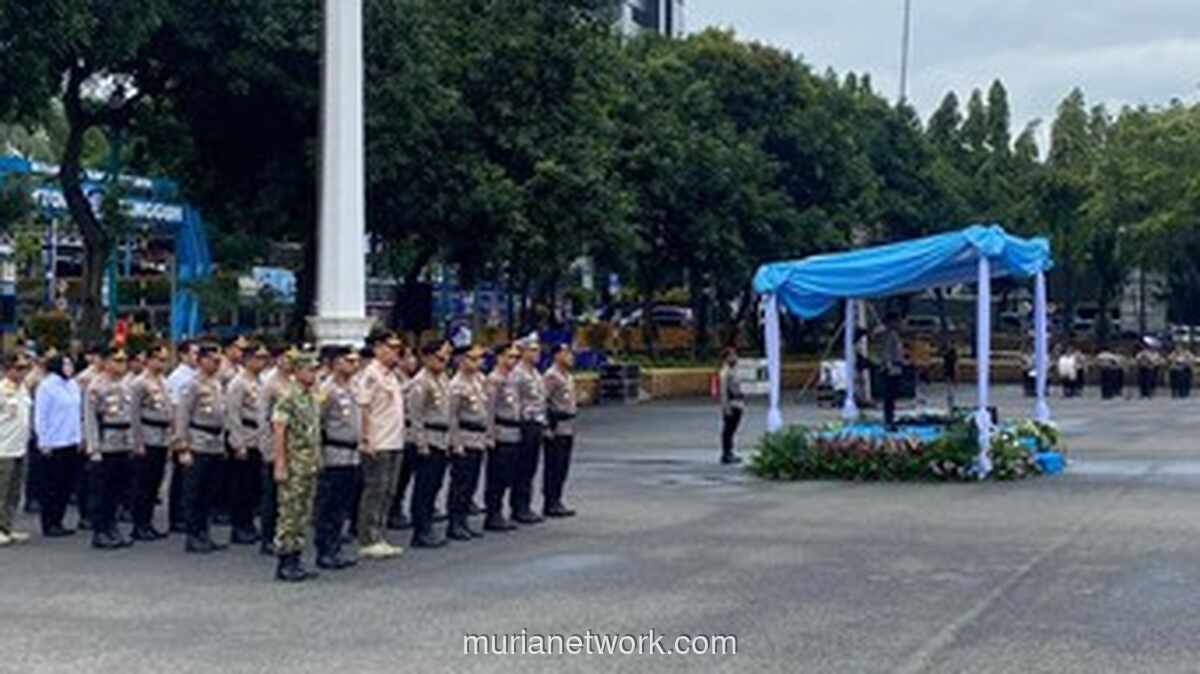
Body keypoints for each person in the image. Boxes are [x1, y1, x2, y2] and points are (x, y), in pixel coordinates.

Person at [271, 348, 322, 583]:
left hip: (309, 463)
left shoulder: (310, 395)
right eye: (311, 370)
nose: (315, 374)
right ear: (299, 370)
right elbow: (279, 430)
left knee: (303, 512)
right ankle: (285, 560)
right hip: (293, 462)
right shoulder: (288, 396)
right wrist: (280, 463)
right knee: (289, 513)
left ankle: (297, 557)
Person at [173, 343, 229, 553]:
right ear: (201, 361)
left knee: (209, 492)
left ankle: (204, 532)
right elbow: (182, 416)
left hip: (214, 443)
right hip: (198, 441)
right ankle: (193, 535)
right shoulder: (191, 385)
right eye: (213, 360)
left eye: (218, 361)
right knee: (194, 492)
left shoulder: (217, 384)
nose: (216, 364)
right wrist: (182, 446)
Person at [355, 333, 406, 560]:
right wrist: (366, 439)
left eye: (398, 348)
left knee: (389, 491)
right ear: (378, 348)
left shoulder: (391, 375)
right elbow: (364, 408)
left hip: (394, 440)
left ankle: (380, 534)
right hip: (379, 441)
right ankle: (368, 538)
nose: (396, 352)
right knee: (375, 490)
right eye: (391, 347)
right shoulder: (370, 375)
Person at [83, 348, 140, 550]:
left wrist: (134, 442)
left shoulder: (126, 385)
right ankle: (100, 531)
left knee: (118, 489)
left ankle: (112, 527)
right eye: (117, 360)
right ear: (106, 362)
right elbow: (90, 419)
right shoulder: (96, 386)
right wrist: (94, 448)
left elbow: (132, 417)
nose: (122, 364)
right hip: (106, 443)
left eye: (124, 360)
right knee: (102, 491)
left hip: (123, 443)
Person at [312, 346, 362, 570]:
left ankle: (335, 546)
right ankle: (324, 549)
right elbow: (316, 424)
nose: (353, 364)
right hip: (334, 453)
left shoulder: (352, 387)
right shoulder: (326, 389)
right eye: (347, 360)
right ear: (335, 363)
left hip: (352, 454)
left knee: (342, 504)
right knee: (328, 505)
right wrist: (318, 455)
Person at [406, 343, 452, 548]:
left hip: (441, 439)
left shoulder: (442, 379)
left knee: (435, 485)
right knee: (424, 488)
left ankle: (428, 526)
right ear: (426, 358)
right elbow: (415, 416)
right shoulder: (420, 382)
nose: (444, 362)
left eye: (446, 358)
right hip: (428, 440)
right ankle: (420, 530)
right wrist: (421, 443)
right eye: (440, 358)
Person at [446, 344, 491, 541]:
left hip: (478, 438)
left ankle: (463, 520)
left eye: (479, 358)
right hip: (464, 437)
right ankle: (455, 522)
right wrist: (456, 443)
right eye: (473, 358)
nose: (478, 362)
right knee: (460, 484)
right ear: (461, 361)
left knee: (471, 482)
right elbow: (452, 417)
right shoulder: (456, 385)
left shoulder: (480, 380)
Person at [225, 344, 269, 545]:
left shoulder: (260, 382)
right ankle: (239, 526)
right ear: (248, 359)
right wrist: (238, 443)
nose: (263, 361)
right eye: (259, 357)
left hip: (258, 438)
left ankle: (249, 523)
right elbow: (232, 415)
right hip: (245, 437)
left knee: (253, 487)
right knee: (241, 487)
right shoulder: (238, 383)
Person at [34, 354, 82, 537]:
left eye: (71, 363)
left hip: (70, 440)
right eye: (66, 363)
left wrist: (79, 437)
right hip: (54, 441)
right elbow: (41, 416)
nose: (70, 367)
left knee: (66, 483)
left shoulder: (72, 385)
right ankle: (49, 521)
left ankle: (59, 520)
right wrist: (43, 440)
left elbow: (76, 413)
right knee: (52, 484)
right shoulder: (47, 386)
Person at [128, 344, 171, 541]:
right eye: (159, 359)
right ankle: (139, 524)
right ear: (150, 360)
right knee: (142, 483)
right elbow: (134, 414)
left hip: (162, 437)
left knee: (155, 482)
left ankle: (148, 521)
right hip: (147, 434)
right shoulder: (140, 383)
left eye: (165, 359)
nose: (163, 363)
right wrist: (137, 441)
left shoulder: (163, 381)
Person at [258, 345, 294, 556]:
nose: (290, 362)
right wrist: (268, 448)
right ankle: (267, 537)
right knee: (271, 495)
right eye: (287, 358)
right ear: (278, 360)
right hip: (274, 443)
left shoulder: (294, 383)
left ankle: (284, 534)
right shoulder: (270, 384)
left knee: (286, 497)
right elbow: (263, 418)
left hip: (292, 445)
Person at [510, 335, 547, 525]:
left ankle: (525, 504)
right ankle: (518, 507)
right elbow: (515, 401)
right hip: (524, 424)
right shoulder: (518, 374)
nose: (537, 353)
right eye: (532, 350)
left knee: (531, 467)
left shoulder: (535, 373)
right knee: (521, 468)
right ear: (522, 351)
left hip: (536, 423)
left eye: (537, 349)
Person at [484, 344, 520, 532]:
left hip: (513, 432)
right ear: (499, 358)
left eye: (515, 357)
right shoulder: (494, 380)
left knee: (507, 475)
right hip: (500, 432)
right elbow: (488, 410)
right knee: (496, 476)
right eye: (509, 357)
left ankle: (499, 511)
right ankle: (493, 513)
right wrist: (489, 435)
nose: (513, 361)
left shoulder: (512, 379)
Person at [0, 354, 33, 547]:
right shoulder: (2, 390)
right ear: (7, 369)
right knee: (1, 490)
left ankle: (7, 526)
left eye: (25, 368)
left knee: (14, 491)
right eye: (18, 368)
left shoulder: (24, 389)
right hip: (3, 447)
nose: (22, 372)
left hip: (20, 446)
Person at [165, 340, 198, 533]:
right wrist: (178, 438)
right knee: (180, 477)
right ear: (183, 355)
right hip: (183, 431)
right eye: (193, 353)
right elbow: (176, 409)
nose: (196, 357)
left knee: (190, 477)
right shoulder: (178, 377)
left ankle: (187, 513)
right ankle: (177, 516)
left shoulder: (195, 376)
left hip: (195, 432)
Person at [542, 343, 578, 517]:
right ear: (556, 356)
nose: (570, 356)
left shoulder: (568, 376)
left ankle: (557, 498)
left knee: (563, 466)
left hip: (568, 426)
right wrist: (547, 427)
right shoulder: (551, 376)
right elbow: (543, 402)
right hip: (556, 426)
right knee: (554, 466)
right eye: (566, 353)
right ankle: (550, 501)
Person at [387, 344, 420, 531]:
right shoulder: (395, 379)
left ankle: (397, 506)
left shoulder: (409, 379)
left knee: (405, 476)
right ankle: (392, 510)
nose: (412, 361)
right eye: (407, 357)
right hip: (399, 432)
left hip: (410, 433)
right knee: (396, 478)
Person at [717, 346, 745, 465]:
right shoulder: (725, 372)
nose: (735, 357)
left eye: (735, 354)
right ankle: (726, 453)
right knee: (728, 430)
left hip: (738, 403)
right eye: (732, 355)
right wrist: (726, 407)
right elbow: (723, 391)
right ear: (726, 358)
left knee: (732, 430)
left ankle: (730, 452)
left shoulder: (734, 370)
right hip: (731, 404)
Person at [880, 314, 905, 430]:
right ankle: (888, 420)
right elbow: (887, 353)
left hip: (896, 368)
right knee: (889, 396)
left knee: (892, 396)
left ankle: (890, 418)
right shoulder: (890, 335)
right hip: (891, 369)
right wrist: (889, 367)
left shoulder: (895, 335)